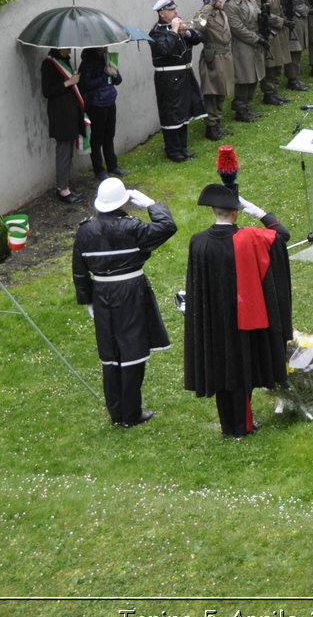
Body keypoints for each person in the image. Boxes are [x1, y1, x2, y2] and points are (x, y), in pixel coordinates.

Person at [182, 183, 294, 438]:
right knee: (240, 368)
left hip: (212, 319)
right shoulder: (250, 238)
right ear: (235, 212)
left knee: (221, 369)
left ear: (213, 210)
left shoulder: (197, 242)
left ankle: (228, 425)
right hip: (243, 317)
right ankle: (242, 426)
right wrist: (260, 213)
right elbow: (281, 235)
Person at [72, 176, 175, 426]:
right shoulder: (131, 227)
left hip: (101, 292)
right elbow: (167, 227)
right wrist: (152, 205)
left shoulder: (85, 230)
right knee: (132, 350)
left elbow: (79, 269)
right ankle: (130, 413)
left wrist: (87, 300)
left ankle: (117, 412)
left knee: (110, 354)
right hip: (129, 291)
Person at [146, 0, 205, 163]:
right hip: (168, 77)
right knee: (171, 112)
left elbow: (199, 39)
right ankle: (173, 151)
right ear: (162, 13)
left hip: (184, 74)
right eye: (171, 10)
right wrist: (173, 31)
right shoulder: (156, 32)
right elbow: (164, 49)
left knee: (184, 111)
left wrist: (187, 32)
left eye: (175, 9)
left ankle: (183, 148)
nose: (176, 12)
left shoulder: (178, 27)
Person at [41, 47, 87, 204]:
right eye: (67, 47)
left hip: (71, 115)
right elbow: (47, 91)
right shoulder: (49, 64)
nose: (69, 50)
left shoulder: (65, 61)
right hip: (60, 116)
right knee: (63, 151)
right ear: (59, 48)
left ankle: (65, 184)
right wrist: (69, 82)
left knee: (68, 151)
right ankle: (63, 190)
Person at [222, 0, 264, 125]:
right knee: (244, 77)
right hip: (242, 45)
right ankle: (240, 108)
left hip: (255, 41)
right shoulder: (229, 6)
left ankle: (247, 105)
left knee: (254, 74)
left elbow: (259, 15)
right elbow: (237, 28)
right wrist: (256, 38)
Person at [78, 46, 125, 180]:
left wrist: (114, 74)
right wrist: (104, 74)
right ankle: (99, 170)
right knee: (97, 138)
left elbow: (119, 80)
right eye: (103, 45)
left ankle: (112, 166)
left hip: (110, 100)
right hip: (96, 104)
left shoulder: (109, 58)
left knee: (109, 135)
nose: (105, 46)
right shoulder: (88, 61)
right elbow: (85, 84)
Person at [248, 0, 289, 107]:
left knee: (278, 60)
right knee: (270, 62)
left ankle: (274, 90)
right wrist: (280, 21)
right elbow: (261, 13)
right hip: (269, 28)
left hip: (278, 26)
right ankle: (269, 92)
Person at [195, 0, 233, 142]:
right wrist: (207, 6)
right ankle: (211, 126)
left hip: (225, 56)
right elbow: (197, 25)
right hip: (213, 58)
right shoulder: (204, 15)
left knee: (221, 91)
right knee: (212, 93)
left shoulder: (220, 13)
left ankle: (217, 122)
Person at [273, 0, 311, 94]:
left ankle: (295, 76)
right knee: (294, 48)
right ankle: (292, 78)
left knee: (299, 46)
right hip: (292, 14)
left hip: (301, 11)